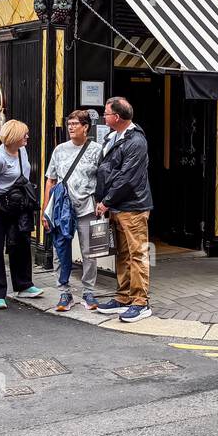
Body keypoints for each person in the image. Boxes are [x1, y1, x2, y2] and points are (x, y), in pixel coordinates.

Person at [94, 96, 154, 322]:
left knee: (137, 254)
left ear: (116, 117)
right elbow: (108, 169)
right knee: (123, 254)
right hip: (118, 205)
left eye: (106, 113)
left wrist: (106, 200)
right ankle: (123, 296)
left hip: (133, 206)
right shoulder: (114, 136)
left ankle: (141, 302)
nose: (104, 116)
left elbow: (127, 178)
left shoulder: (136, 141)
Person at [42, 109, 104, 313]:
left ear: (86, 127)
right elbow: (50, 180)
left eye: (75, 124)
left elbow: (103, 180)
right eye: (69, 124)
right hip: (62, 208)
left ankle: (88, 291)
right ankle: (64, 292)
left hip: (87, 207)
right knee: (61, 249)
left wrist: (102, 202)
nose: (70, 127)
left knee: (89, 252)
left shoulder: (97, 150)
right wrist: (45, 211)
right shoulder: (59, 150)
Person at [0, 119, 44, 309]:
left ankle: (24, 285)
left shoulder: (22, 150)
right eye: (24, 134)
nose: (27, 137)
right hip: (0, 208)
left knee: (22, 243)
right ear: (13, 137)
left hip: (20, 206)